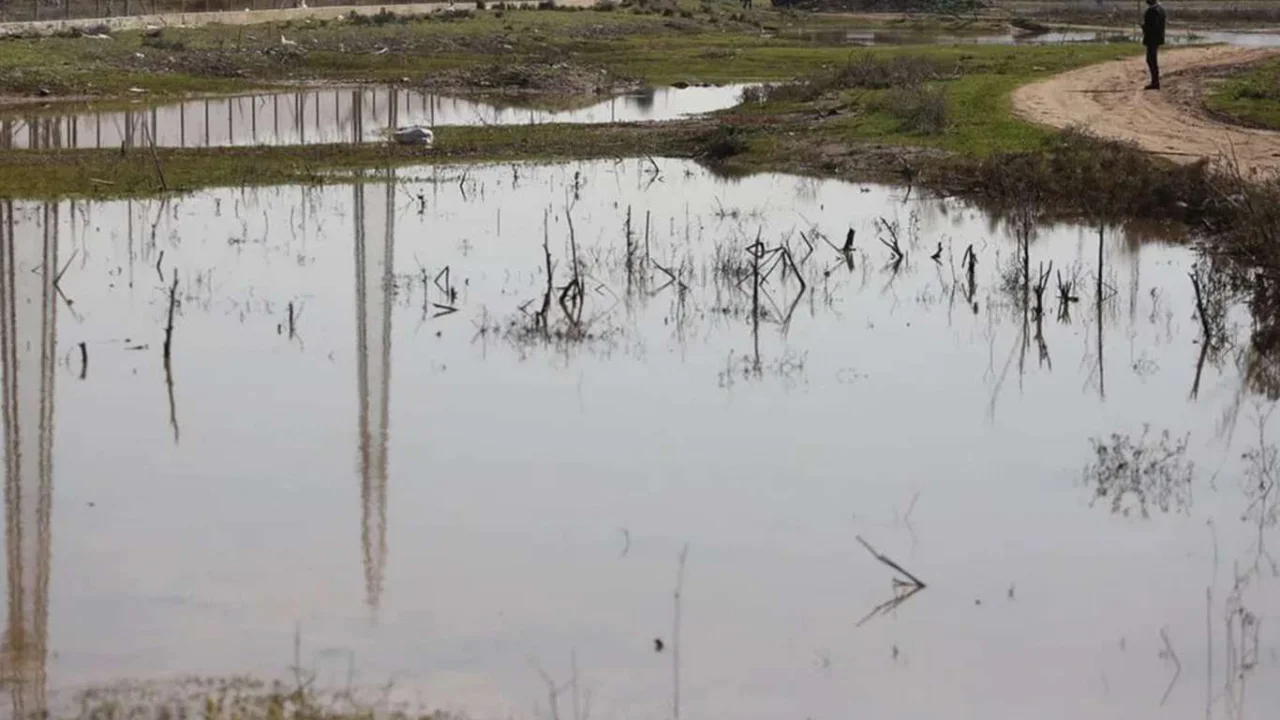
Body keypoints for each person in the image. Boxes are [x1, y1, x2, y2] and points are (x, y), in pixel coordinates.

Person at [1142, 0, 1167, 90]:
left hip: (1152, 39)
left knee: (1151, 60)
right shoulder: (1160, 9)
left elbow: (1153, 26)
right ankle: (1155, 81)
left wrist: (1145, 27)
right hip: (1157, 38)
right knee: (1152, 60)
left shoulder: (1152, 11)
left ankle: (1155, 82)